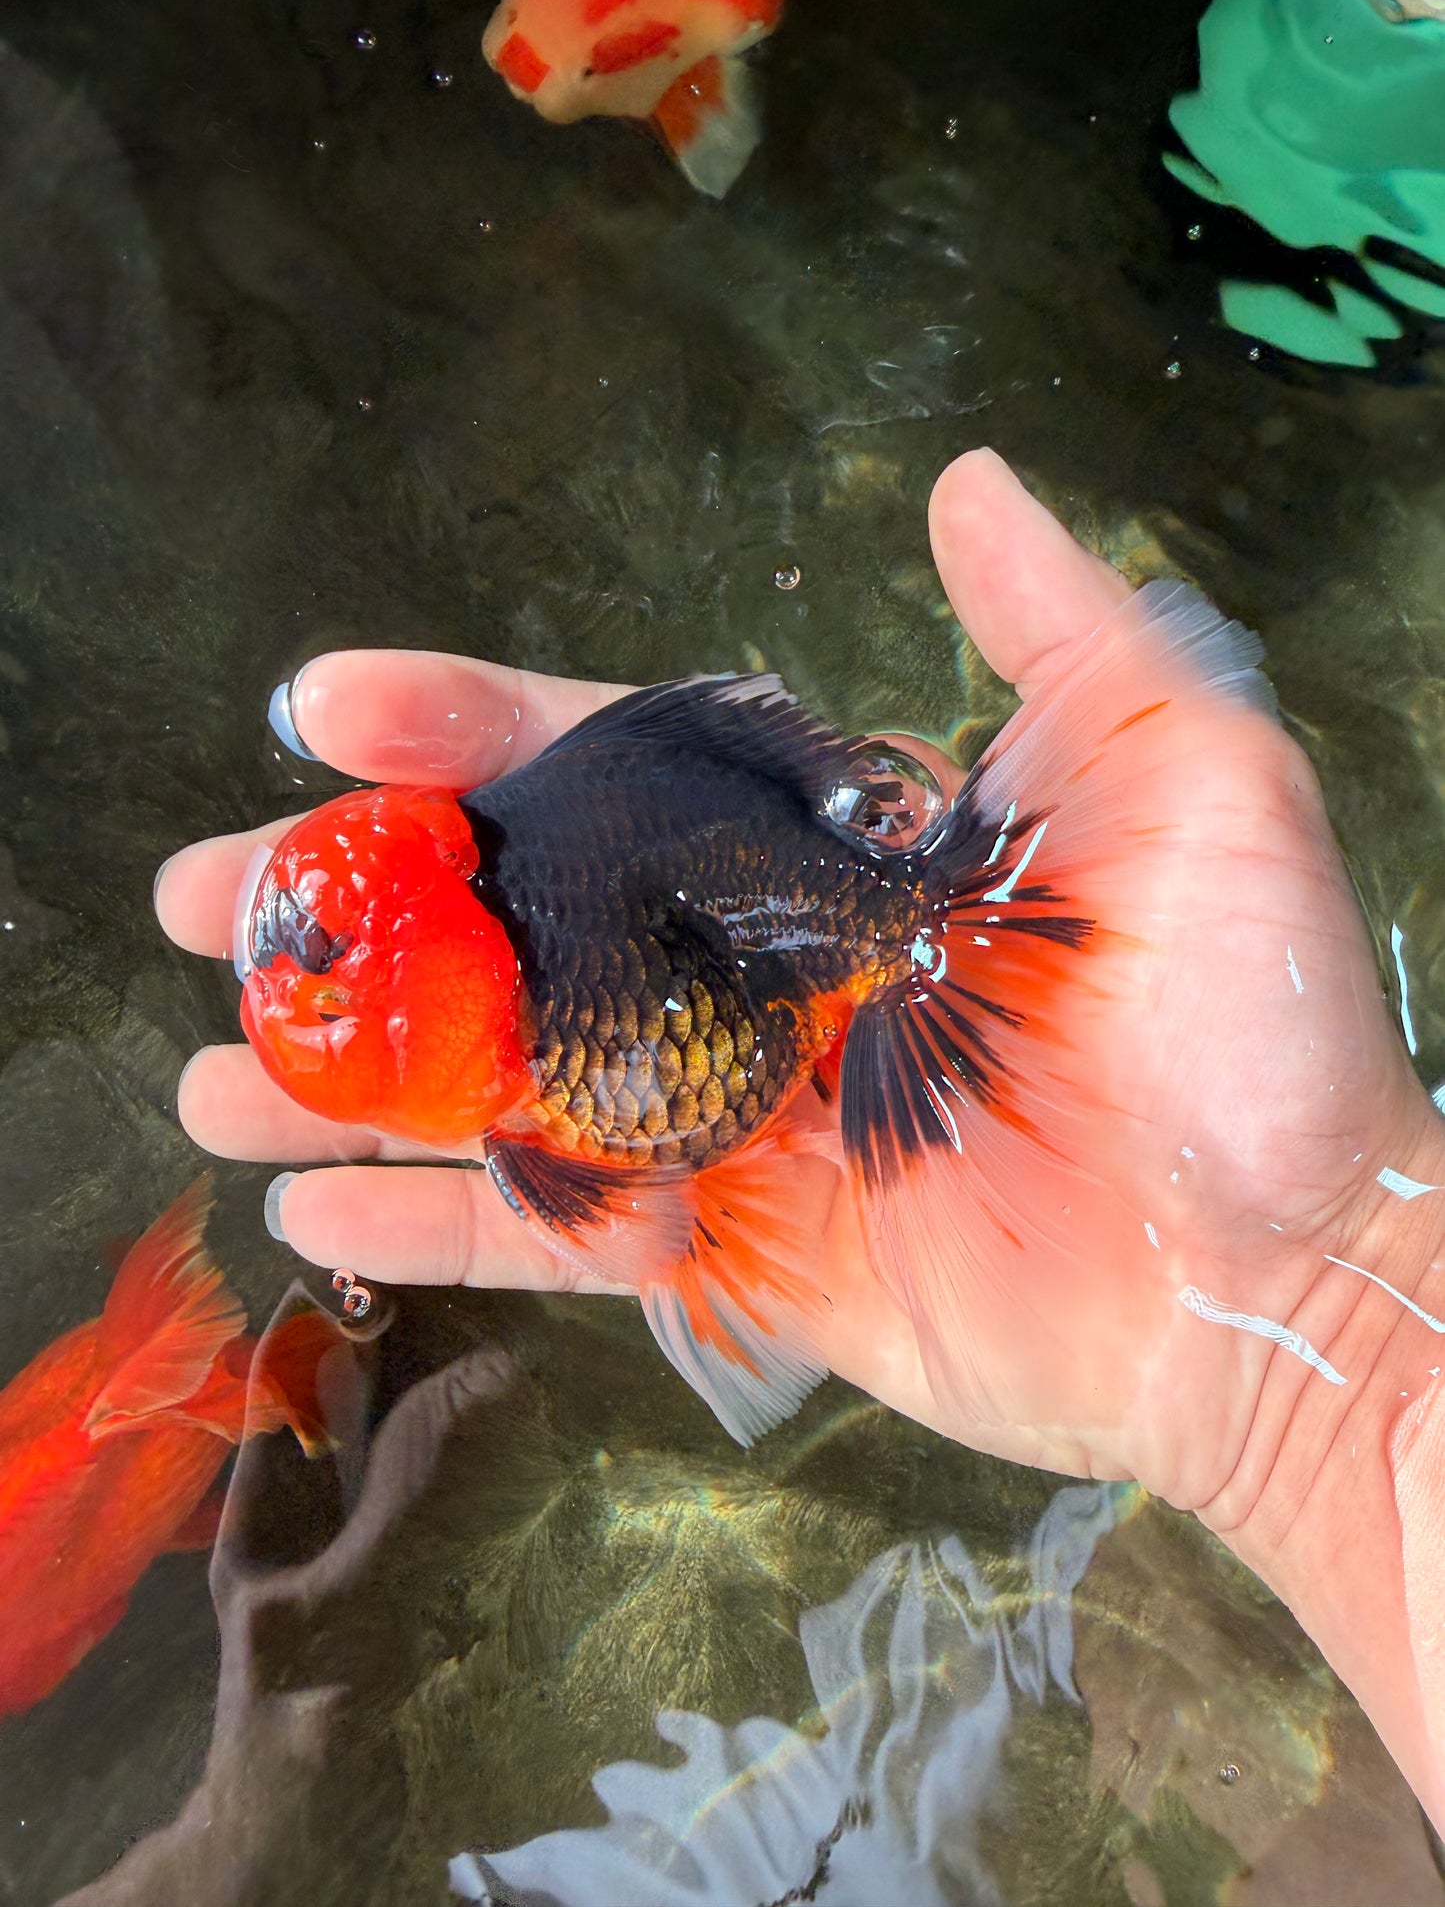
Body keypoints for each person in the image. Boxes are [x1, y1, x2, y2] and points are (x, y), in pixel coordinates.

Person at [154, 448, 1445, 1832]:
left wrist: (1331, 1350)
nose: (289, 1008)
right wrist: (1331, 1373)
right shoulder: (514, 1065)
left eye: (332, 985)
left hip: (798, 965)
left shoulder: (537, 1021)